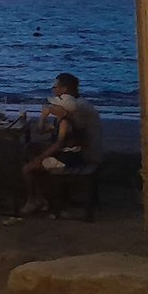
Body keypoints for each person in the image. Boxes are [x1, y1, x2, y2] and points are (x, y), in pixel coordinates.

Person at [20, 73, 103, 216]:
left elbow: (62, 140)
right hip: (75, 148)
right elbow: (44, 131)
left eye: (55, 87)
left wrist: (40, 158)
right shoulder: (73, 106)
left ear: (64, 89)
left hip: (83, 153)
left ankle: (37, 198)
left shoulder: (75, 109)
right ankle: (43, 195)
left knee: (33, 162)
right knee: (32, 148)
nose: (53, 90)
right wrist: (45, 117)